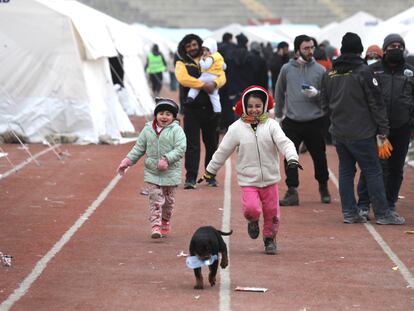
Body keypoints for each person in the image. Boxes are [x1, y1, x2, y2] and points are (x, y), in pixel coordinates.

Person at [200, 86, 300, 255]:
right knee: (251, 209)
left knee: (272, 213)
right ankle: (253, 221)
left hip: (270, 179)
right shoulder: (236, 128)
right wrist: (210, 170)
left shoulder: (272, 126)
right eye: (251, 106)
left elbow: (285, 143)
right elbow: (222, 151)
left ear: (264, 106)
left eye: (258, 106)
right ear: (245, 107)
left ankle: (269, 238)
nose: (254, 110)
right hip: (248, 180)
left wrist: (292, 157)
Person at [321, 32, 404, 225]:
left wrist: (335, 120)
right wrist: (383, 130)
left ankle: (349, 212)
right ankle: (383, 214)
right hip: (363, 133)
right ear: (359, 50)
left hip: (339, 133)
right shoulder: (364, 72)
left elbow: (323, 104)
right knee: (373, 171)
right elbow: (376, 103)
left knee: (346, 172)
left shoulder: (330, 74)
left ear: (342, 50)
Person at [357, 33, 413, 222]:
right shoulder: (372, 70)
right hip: (378, 129)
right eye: (392, 46)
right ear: (385, 48)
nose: (395, 49)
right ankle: (363, 205)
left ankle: (389, 205)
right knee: (372, 166)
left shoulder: (410, 72)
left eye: (399, 45)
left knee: (396, 168)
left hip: (402, 128)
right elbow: (364, 98)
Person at [116, 98, 187, 237]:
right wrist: (128, 160)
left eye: (168, 114)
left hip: (170, 172)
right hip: (152, 172)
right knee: (155, 198)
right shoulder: (148, 130)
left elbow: (181, 148)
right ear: (156, 115)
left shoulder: (177, 131)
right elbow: (139, 148)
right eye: (161, 113)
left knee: (168, 202)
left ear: (173, 117)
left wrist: (167, 159)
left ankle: (165, 220)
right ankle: (155, 226)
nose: (164, 117)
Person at [274, 34, 331, 206]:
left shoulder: (321, 71)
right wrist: (278, 115)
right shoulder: (287, 69)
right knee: (290, 157)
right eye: (306, 48)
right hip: (292, 120)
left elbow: (327, 98)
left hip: (314, 120)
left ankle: (323, 186)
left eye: (312, 47)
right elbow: (279, 91)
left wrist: (317, 94)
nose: (310, 51)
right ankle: (292, 191)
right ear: (298, 49)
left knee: (319, 157)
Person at [175, 34, 226, 189]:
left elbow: (222, 76)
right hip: (192, 110)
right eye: (188, 46)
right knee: (192, 145)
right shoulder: (181, 63)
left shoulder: (213, 58)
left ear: (200, 44)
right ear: (184, 49)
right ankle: (190, 177)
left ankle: (210, 176)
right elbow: (183, 79)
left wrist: (215, 83)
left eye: (194, 44)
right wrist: (203, 85)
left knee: (212, 144)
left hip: (211, 110)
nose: (192, 48)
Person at [186, 38, 226, 114]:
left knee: (195, 85)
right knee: (214, 96)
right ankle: (217, 112)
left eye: (207, 50)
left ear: (212, 49)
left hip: (207, 76)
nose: (205, 52)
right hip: (215, 77)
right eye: (204, 50)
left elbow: (205, 66)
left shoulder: (210, 57)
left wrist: (201, 60)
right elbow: (224, 66)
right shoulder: (219, 56)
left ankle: (190, 98)